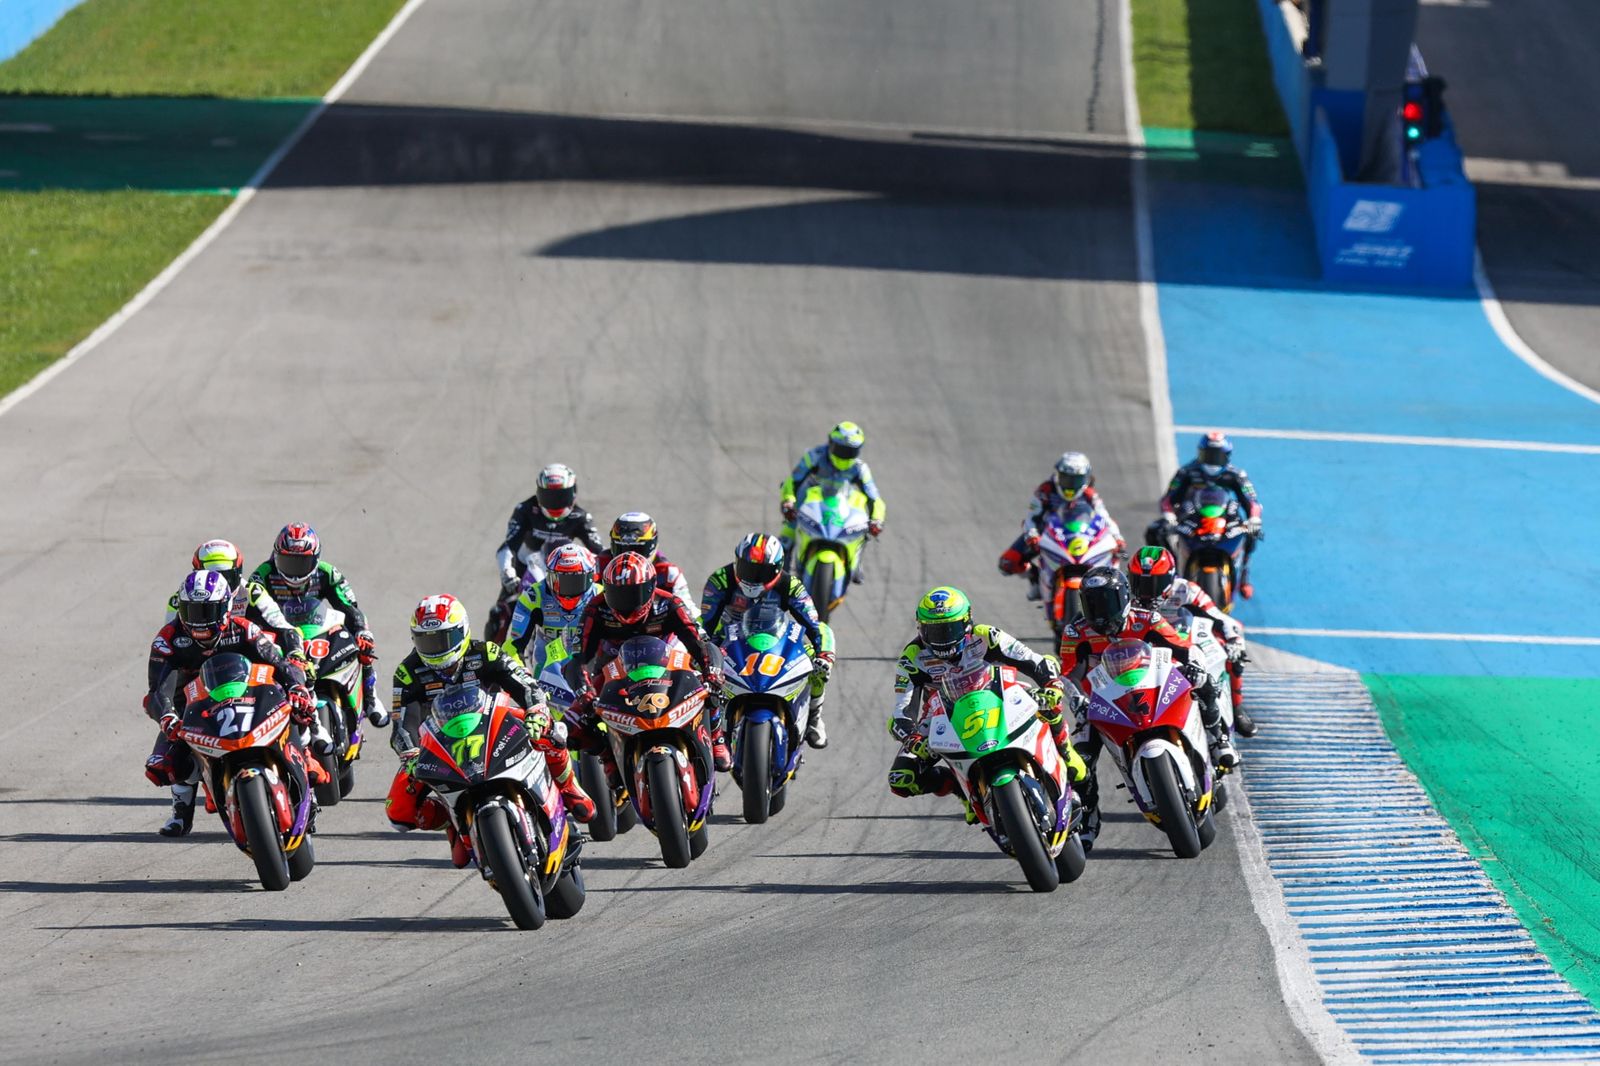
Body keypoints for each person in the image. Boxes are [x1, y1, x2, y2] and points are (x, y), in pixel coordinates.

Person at [386, 594, 594, 868]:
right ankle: (451, 814)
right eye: (427, 641)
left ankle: (569, 789)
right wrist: (410, 753)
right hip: (441, 742)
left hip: (497, 723)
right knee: (398, 812)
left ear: (462, 631)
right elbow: (403, 723)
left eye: (442, 640)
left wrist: (537, 711)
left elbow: (525, 684)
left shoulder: (485, 652)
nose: (435, 649)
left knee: (552, 732)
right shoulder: (407, 672)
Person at [1058, 566, 1236, 851]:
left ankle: (1218, 741)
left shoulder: (1146, 618)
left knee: (1205, 685)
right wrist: (1078, 700)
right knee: (1080, 760)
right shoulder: (1075, 631)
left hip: (1154, 686)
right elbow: (1069, 674)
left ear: (1125, 596)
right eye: (1093, 604)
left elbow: (1182, 646)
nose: (1101, 611)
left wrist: (1194, 666)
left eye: (1108, 602)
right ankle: (1088, 819)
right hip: (1105, 703)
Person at [143, 571, 314, 837]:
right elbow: (156, 691)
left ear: (225, 607)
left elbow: (278, 663)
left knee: (298, 709)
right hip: (194, 701)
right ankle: (181, 809)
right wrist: (167, 717)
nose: (198, 620)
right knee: (164, 764)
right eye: (191, 611)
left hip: (248, 690)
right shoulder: (167, 640)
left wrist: (296, 687)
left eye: (206, 611)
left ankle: (304, 766)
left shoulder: (243, 628)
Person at [886, 587, 1087, 813]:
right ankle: (962, 791)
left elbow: (1035, 661)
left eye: (949, 629)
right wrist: (912, 738)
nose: (942, 639)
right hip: (944, 715)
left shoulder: (986, 635)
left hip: (1001, 696)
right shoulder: (912, 657)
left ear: (967, 622)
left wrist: (1052, 685)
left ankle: (1065, 750)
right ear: (920, 627)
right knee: (901, 778)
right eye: (933, 631)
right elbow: (902, 711)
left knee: (1047, 701)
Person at [567, 553, 729, 769]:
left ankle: (716, 737)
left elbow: (700, 643)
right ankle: (608, 759)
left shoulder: (669, 603)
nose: (627, 603)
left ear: (652, 587)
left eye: (635, 594)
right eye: (618, 595)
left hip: (668, 662)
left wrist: (712, 673)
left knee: (707, 685)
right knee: (569, 729)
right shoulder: (595, 609)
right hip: (613, 670)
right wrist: (584, 693)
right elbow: (577, 659)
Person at [701, 533, 836, 748]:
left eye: (760, 572)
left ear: (776, 569)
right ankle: (709, 725)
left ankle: (814, 717)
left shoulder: (790, 584)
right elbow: (704, 623)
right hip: (729, 639)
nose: (751, 577)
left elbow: (815, 624)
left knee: (818, 665)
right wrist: (701, 650)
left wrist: (823, 655)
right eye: (746, 568)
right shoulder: (721, 580)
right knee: (701, 671)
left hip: (774, 639)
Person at [252, 524, 379, 722]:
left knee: (362, 645)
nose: (294, 572)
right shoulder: (263, 574)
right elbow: (253, 611)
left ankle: (370, 697)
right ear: (276, 557)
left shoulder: (327, 573)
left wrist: (362, 631)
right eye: (287, 562)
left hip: (316, 627)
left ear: (315, 560)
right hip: (282, 633)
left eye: (301, 564)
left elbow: (349, 607)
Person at [1127, 546, 1256, 737]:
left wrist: (1234, 640)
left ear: (1170, 578)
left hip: (1184, 642)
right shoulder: (1125, 597)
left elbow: (1220, 618)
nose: (1146, 591)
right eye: (1140, 582)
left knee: (1232, 651)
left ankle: (1237, 709)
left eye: (1155, 583)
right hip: (1145, 648)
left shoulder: (1187, 590)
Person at [1148, 431, 1263, 598]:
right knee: (1156, 531)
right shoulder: (1187, 472)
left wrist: (1253, 519)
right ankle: (1169, 573)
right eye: (1208, 455)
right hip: (1192, 517)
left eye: (1216, 456)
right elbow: (1168, 499)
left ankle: (1244, 576)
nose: (1212, 460)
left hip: (1222, 516)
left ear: (1226, 456)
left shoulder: (1236, 474)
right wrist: (1169, 516)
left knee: (1252, 533)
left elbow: (1252, 501)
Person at [998, 451, 1127, 600]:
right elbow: (1031, 518)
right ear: (1058, 475)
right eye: (1067, 479)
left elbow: (1105, 518)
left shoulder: (1090, 495)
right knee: (1008, 562)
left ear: (1085, 479)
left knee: (1112, 554)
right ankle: (1036, 578)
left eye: (1076, 480)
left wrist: (1118, 538)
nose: (1071, 485)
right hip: (1046, 534)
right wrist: (1032, 535)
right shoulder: (1045, 491)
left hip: (1082, 534)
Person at [778, 421, 886, 578]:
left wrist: (877, 519)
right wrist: (789, 501)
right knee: (787, 537)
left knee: (861, 533)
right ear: (830, 443)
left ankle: (855, 564)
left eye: (850, 451)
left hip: (839, 506)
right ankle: (780, 578)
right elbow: (792, 481)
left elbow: (874, 498)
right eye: (841, 449)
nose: (844, 455)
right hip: (807, 503)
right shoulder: (814, 457)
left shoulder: (860, 468)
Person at [495, 463, 605, 594]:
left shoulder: (581, 517)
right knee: (502, 607)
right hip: (525, 567)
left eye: (562, 496)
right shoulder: (525, 510)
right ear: (538, 494)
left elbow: (599, 551)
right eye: (549, 497)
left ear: (573, 493)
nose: (556, 503)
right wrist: (508, 573)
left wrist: (602, 575)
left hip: (563, 570)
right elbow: (508, 546)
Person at [502, 541, 600, 666]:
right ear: (548, 576)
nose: (568, 589)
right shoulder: (534, 596)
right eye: (560, 580)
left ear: (591, 577)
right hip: (546, 671)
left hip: (589, 668)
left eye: (575, 581)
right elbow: (514, 645)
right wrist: (519, 672)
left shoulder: (600, 596)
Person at [594, 512, 699, 619]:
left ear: (652, 545)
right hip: (609, 626)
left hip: (654, 629)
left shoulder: (669, 573)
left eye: (637, 550)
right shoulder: (598, 564)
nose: (630, 556)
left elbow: (688, 609)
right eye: (622, 549)